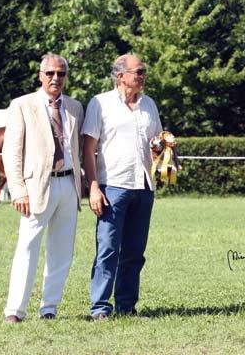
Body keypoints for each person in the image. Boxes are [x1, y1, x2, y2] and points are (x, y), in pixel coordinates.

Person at [2, 54, 84, 323]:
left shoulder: (74, 107)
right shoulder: (22, 105)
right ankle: (15, 310)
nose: (55, 78)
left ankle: (49, 308)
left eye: (61, 74)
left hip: (69, 184)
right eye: (50, 73)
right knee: (27, 247)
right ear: (40, 75)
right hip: (36, 186)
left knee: (61, 251)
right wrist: (18, 190)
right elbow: (11, 152)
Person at [82, 54, 162, 320]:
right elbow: (88, 149)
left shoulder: (149, 104)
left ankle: (126, 306)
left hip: (144, 186)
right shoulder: (99, 104)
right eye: (139, 71)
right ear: (121, 76)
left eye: (143, 71)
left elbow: (158, 142)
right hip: (112, 186)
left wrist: (166, 156)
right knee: (107, 249)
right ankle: (100, 308)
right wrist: (93, 187)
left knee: (135, 252)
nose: (143, 76)